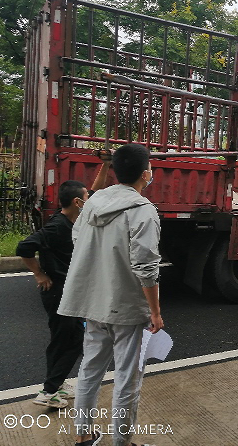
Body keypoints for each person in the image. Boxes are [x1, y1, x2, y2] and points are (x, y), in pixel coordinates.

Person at [58, 143, 163, 446]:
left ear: (116, 171)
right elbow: (146, 268)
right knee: (127, 379)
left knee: (90, 370)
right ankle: (122, 442)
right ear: (146, 173)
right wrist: (155, 312)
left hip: (93, 304)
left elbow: (78, 238)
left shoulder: (93, 202)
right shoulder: (143, 211)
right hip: (127, 308)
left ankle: (83, 434)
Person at [16, 155, 111, 409]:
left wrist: (106, 164)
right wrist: (39, 273)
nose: (91, 199)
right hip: (57, 291)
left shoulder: (76, 218)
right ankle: (48, 390)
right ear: (78, 202)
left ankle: (55, 385)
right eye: (86, 198)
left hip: (69, 290)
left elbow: (96, 188)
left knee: (61, 339)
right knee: (73, 339)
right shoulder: (57, 226)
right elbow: (24, 247)